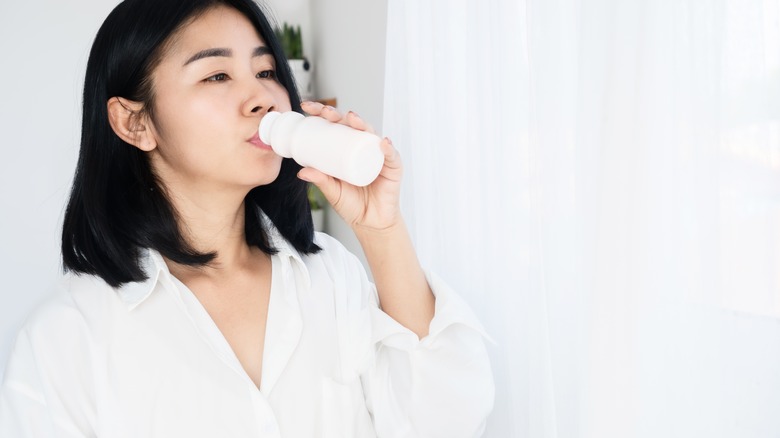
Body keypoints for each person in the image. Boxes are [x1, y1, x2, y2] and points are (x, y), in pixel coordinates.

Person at [0, 0, 494, 436]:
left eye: (266, 72)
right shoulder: (65, 339)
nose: (262, 97)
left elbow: (446, 423)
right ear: (136, 122)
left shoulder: (330, 277)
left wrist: (382, 231)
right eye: (216, 75)